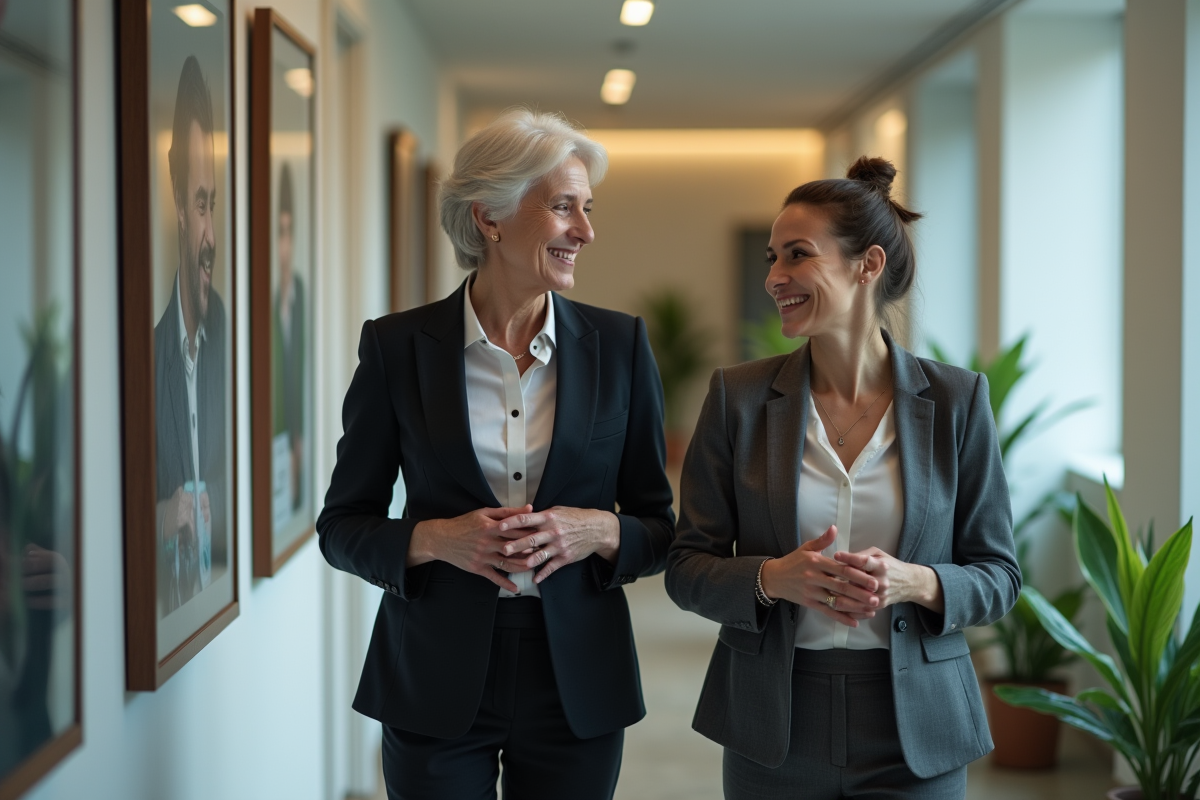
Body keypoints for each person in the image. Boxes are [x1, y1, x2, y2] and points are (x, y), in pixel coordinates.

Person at [317, 109, 675, 800]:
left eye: (587, 209)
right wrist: (434, 540)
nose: (585, 231)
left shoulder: (621, 347)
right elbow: (343, 526)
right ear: (490, 218)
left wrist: (596, 530)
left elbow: (659, 528)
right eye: (563, 207)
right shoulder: (396, 348)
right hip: (434, 673)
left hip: (578, 674)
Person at [665, 157, 1020, 799]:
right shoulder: (736, 399)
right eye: (772, 258)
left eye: (797, 255)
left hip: (918, 724)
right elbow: (686, 568)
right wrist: (773, 578)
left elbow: (1000, 576)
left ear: (869, 264)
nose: (775, 277)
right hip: (772, 719)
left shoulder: (958, 401)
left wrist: (917, 581)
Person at [154, 55, 228, 616]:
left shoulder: (232, 342)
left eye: (214, 205)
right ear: (179, 207)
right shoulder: (147, 364)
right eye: (199, 205)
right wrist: (161, 515)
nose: (211, 235)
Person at [273, 162, 306, 515]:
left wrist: (300, 440)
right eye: (278, 234)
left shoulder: (300, 295)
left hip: (293, 442)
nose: (284, 246)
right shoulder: (263, 304)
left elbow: (300, 373)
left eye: (288, 233)